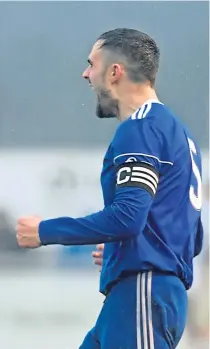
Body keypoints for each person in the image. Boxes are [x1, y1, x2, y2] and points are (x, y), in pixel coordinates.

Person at [16, 28, 204, 349]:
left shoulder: (141, 129)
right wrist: (128, 249)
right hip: (141, 295)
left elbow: (127, 217)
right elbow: (192, 237)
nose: (86, 74)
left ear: (114, 72)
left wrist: (45, 231)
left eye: (92, 64)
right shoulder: (179, 135)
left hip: (142, 295)